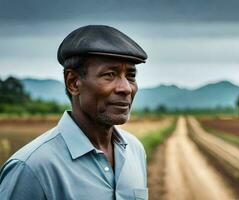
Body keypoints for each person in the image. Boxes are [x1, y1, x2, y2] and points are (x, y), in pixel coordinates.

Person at [0, 25, 148, 200]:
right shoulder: (31, 168)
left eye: (130, 76)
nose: (126, 88)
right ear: (73, 82)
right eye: (109, 74)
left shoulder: (135, 150)